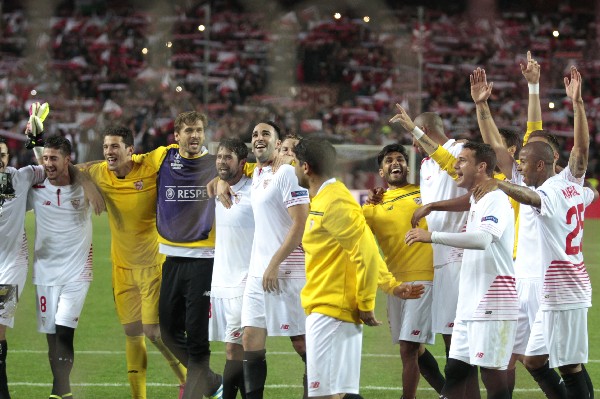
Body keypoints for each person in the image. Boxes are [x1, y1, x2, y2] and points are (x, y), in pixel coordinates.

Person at [472, 66, 595, 398]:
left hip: (556, 284)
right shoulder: (553, 181)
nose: (517, 161)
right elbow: (494, 145)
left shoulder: (559, 186)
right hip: (523, 280)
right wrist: (482, 108)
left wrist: (578, 104)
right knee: (532, 359)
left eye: (525, 157)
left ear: (546, 160)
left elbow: (579, 152)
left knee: (568, 364)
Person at [293, 138, 424, 399]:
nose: (293, 168)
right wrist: (391, 286)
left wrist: (366, 303)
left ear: (305, 167)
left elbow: (366, 252)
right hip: (329, 309)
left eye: (295, 163)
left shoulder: (334, 200)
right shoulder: (325, 199)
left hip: (333, 311)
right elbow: (367, 249)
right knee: (336, 395)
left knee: (323, 395)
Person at [404, 141, 517, 399]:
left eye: (463, 160)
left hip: (493, 301)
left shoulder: (495, 198)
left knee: (492, 377)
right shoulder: (477, 200)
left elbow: (482, 239)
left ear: (482, 166)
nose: (456, 165)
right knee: (455, 370)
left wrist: (432, 236)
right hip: (469, 302)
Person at [84, 126, 186, 399]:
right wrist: (87, 186)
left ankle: (186, 378)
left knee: (153, 332)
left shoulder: (149, 165)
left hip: (153, 264)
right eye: (106, 147)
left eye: (115, 147)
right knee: (132, 332)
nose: (109, 152)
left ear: (131, 150)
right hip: (122, 267)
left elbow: (179, 150)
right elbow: (72, 168)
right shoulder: (100, 172)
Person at [132, 111, 222, 399]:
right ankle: (212, 381)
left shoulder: (216, 163)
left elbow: (249, 171)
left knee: (196, 336)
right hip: (170, 259)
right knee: (168, 332)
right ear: (177, 135)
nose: (194, 135)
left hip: (204, 260)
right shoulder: (163, 157)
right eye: (188, 131)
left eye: (199, 130)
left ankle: (198, 391)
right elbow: (127, 163)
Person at [362, 143, 445, 399]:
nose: (395, 163)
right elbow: (357, 241)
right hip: (395, 284)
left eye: (399, 159)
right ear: (381, 171)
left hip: (425, 277)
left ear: (408, 166)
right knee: (414, 348)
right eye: (389, 161)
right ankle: (448, 392)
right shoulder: (372, 207)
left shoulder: (426, 193)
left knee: (409, 347)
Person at [234, 121, 309, 399]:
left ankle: (320, 392)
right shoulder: (259, 173)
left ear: (278, 144)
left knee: (302, 343)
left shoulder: (288, 173)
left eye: (266, 133)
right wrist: (218, 182)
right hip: (258, 273)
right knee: (250, 340)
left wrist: (274, 264)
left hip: (287, 272)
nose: (258, 137)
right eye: (254, 134)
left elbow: (299, 224)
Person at [28, 136, 94, 399]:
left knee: (65, 334)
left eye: (54, 158)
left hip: (78, 273)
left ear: (68, 160)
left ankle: (57, 393)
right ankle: (64, 393)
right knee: (52, 339)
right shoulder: (36, 187)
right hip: (44, 273)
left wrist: (88, 183)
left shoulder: (83, 187)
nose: (48, 164)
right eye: (45, 158)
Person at [209, 138, 253, 399]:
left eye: (228, 157)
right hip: (222, 282)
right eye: (220, 156)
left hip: (246, 281)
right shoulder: (217, 187)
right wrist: (220, 181)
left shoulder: (255, 188)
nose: (222, 161)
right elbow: (210, 184)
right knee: (234, 350)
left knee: (240, 348)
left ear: (242, 163)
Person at [0, 138, 45, 399]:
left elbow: (51, 167)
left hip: (11, 266)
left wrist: (36, 142)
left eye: (3, 154)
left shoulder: (20, 177)